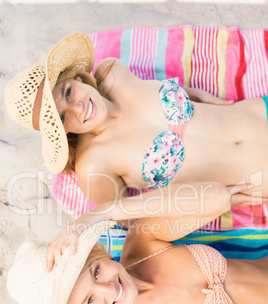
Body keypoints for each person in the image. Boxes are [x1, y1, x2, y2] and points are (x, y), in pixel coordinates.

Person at [7, 181, 268, 304]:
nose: (109, 289)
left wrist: (97, 215)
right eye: (89, 301)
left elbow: (212, 198)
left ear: (98, 254)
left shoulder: (143, 242)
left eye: (96, 271)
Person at [5, 32, 268, 209]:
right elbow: (133, 219)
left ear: (75, 78)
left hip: (259, 110)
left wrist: (191, 93)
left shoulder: (113, 72)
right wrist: (213, 203)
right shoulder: (94, 166)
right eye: (62, 117)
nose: (77, 108)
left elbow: (159, 92)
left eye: (68, 93)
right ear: (59, 133)